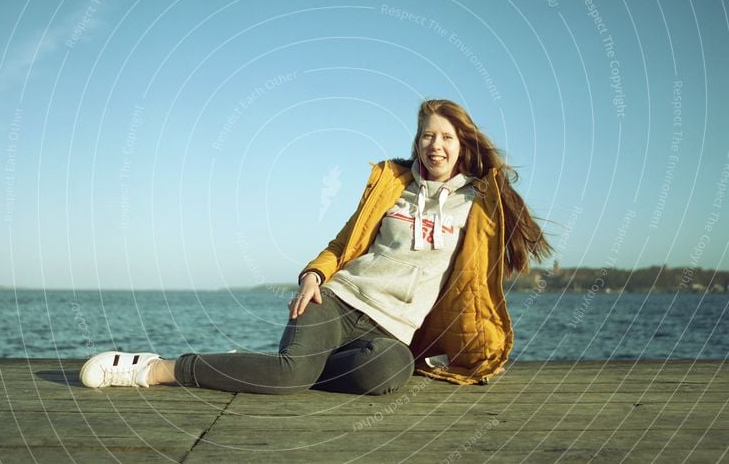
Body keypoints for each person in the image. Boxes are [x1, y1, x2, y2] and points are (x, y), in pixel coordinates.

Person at [80, 99, 551, 393]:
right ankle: (154, 369)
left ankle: (299, 369)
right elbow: (343, 244)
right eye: (427, 135)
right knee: (289, 375)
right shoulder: (393, 186)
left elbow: (481, 279)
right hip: (340, 299)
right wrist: (313, 274)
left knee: (390, 376)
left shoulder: (480, 202)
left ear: (462, 144)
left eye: (446, 136)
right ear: (417, 141)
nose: (435, 145)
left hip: (393, 328)